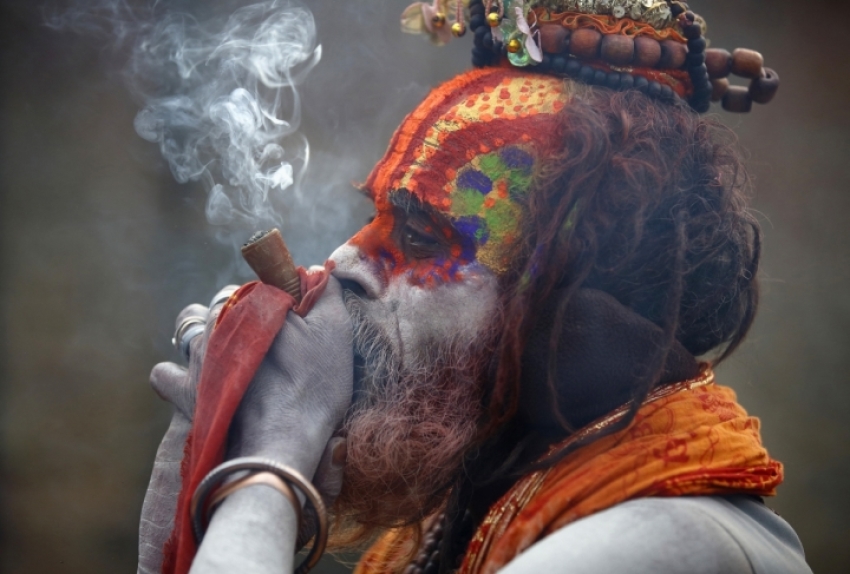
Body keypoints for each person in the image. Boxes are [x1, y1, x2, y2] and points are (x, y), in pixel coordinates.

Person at [138, 1, 811, 573]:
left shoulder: (661, 543)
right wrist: (203, 451)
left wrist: (271, 459)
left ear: (560, 297)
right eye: (376, 218)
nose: (345, 260)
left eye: (422, 237)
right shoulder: (453, 515)